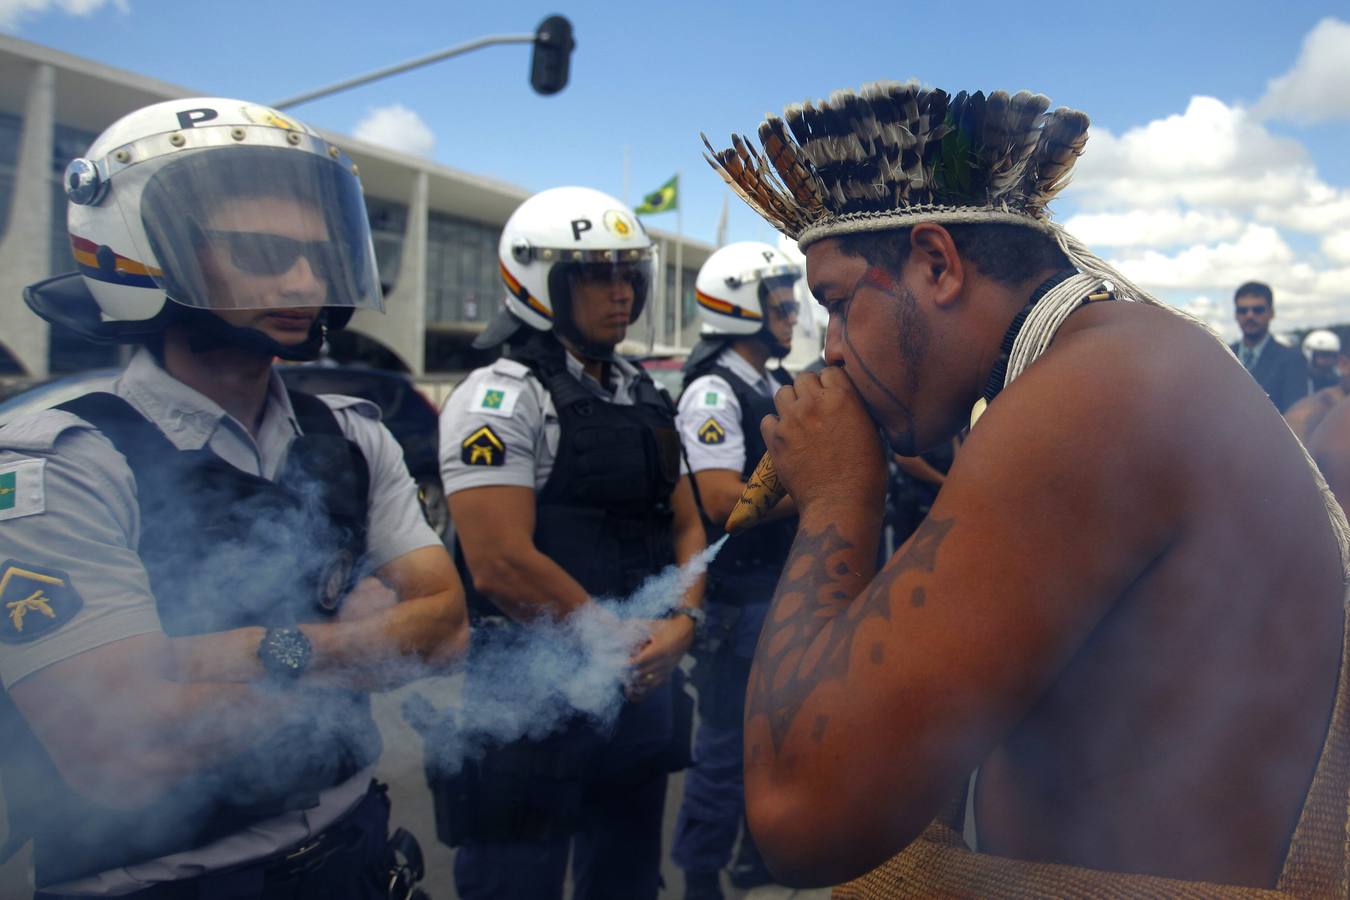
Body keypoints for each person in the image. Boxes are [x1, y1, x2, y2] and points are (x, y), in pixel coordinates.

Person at [703, 81, 1350, 896]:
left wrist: (837, 498)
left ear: (937, 264)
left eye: (836, 305)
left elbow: (799, 814)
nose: (830, 351)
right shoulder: (1109, 364)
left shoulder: (1093, 396)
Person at [0, 98, 469, 898]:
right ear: (142, 254)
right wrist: (359, 646)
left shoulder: (354, 435)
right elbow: (126, 748)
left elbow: (448, 630)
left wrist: (241, 654)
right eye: (259, 252)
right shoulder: (60, 462)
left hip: (356, 850)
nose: (303, 281)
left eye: (319, 256)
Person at [435, 186, 705, 900]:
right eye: (596, 275)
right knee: (513, 880)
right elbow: (499, 563)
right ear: (540, 280)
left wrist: (683, 623)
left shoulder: (644, 392)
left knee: (627, 879)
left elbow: (686, 523)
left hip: (638, 681)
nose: (621, 294)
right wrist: (609, 635)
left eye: (628, 274)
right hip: (532, 693)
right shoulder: (497, 398)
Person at [670, 241, 801, 900]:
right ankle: (700, 873)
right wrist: (823, 490)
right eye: (778, 298)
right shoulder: (713, 391)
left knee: (773, 742)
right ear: (740, 306)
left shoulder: (771, 383)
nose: (792, 311)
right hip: (736, 602)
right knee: (723, 749)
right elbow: (724, 503)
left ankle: (755, 855)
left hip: (777, 594)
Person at [1230, 281, 1308, 412]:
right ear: (1236, 315)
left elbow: (1296, 414)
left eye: (1258, 310)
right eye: (1243, 310)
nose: (1250, 315)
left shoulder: (1292, 359)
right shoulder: (1223, 356)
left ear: (1271, 313)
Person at [1303, 329, 1343, 394]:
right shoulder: (1300, 383)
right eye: (1324, 354)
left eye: (1333, 355)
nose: (1329, 359)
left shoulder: (1338, 379)